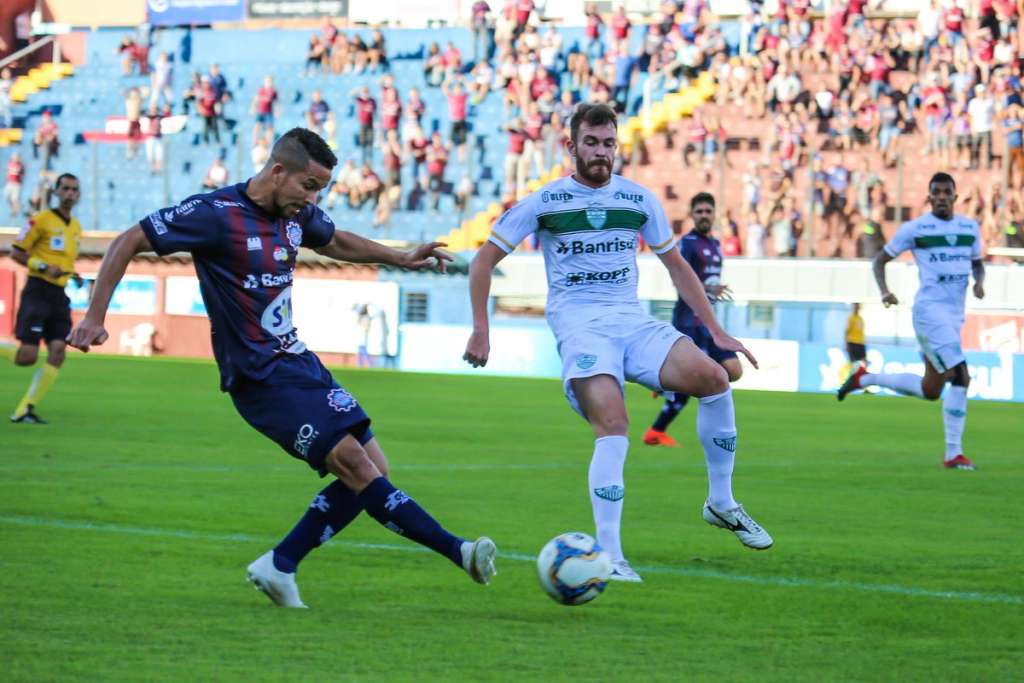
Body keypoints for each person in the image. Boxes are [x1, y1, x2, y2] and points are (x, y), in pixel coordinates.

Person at [66, 128, 497, 608]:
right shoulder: (216, 215)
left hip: (298, 363)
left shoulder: (296, 215)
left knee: (376, 466)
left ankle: (281, 564)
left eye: (320, 190)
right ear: (277, 171)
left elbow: (336, 241)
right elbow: (129, 239)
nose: (313, 200)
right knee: (356, 466)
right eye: (308, 186)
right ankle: (459, 551)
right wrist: (94, 317)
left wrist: (399, 256)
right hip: (259, 377)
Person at [464, 104, 773, 584]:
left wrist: (715, 331)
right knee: (614, 422)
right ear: (571, 146)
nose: (601, 152)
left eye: (609, 143)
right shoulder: (546, 202)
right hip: (581, 327)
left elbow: (677, 267)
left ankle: (721, 502)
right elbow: (482, 261)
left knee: (714, 378)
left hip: (631, 321)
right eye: (591, 142)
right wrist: (482, 329)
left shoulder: (637, 199)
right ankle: (610, 555)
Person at [838, 173, 983, 471]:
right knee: (961, 375)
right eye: (936, 192)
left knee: (931, 389)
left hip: (954, 315)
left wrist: (980, 282)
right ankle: (953, 454)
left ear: (955, 197)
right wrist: (884, 291)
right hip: (929, 313)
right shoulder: (915, 229)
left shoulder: (970, 228)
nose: (941, 197)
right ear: (929, 198)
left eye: (946, 192)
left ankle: (864, 379)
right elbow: (879, 260)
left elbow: (978, 263)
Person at [643, 193, 742, 448]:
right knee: (697, 383)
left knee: (734, 370)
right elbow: (679, 279)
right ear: (692, 215)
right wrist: (707, 290)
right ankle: (656, 429)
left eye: (708, 211)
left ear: (714, 214)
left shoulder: (716, 245)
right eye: (699, 212)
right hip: (689, 322)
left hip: (708, 323)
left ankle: (667, 382)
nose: (704, 215)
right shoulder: (687, 244)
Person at [1, 173, 83, 423]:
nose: (70, 193)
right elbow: (16, 253)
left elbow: (63, 260)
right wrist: (44, 267)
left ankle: (24, 410)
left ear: (79, 195)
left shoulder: (76, 227)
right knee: (27, 356)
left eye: (74, 189)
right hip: (37, 291)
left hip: (59, 296)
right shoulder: (40, 220)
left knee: (58, 352)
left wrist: (74, 274)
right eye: (65, 188)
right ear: (56, 192)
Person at [842, 303, 866, 381]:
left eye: (858, 306)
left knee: (864, 362)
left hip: (861, 343)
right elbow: (846, 331)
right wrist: (846, 344)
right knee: (854, 363)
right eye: (855, 306)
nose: (857, 308)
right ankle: (853, 379)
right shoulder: (851, 318)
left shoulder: (861, 319)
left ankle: (863, 379)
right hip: (852, 342)